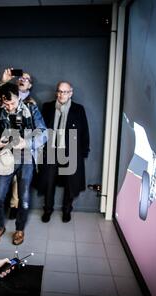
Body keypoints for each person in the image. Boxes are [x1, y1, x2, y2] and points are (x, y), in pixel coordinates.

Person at [0, 82, 47, 246]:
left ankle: (19, 229)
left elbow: (43, 133)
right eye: (6, 104)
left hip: (26, 157)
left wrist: (26, 143)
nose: (9, 107)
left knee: (24, 198)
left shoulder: (31, 108)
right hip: (6, 158)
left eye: (13, 103)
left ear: (18, 97)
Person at [0, 69, 38, 219]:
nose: (22, 80)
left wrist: (27, 142)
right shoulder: (3, 101)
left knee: (20, 186)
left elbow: (40, 131)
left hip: (22, 152)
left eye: (26, 79)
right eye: (21, 78)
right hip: (2, 150)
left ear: (30, 85)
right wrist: (4, 81)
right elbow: (0, 92)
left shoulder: (30, 105)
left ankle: (14, 207)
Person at [38, 81, 90, 223]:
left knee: (70, 183)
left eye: (65, 92)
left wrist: (84, 152)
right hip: (51, 152)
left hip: (71, 152)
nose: (62, 94)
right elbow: (41, 130)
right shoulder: (47, 107)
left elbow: (84, 132)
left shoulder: (78, 109)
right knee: (49, 182)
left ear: (71, 93)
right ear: (57, 92)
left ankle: (67, 210)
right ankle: (47, 210)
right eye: (60, 91)